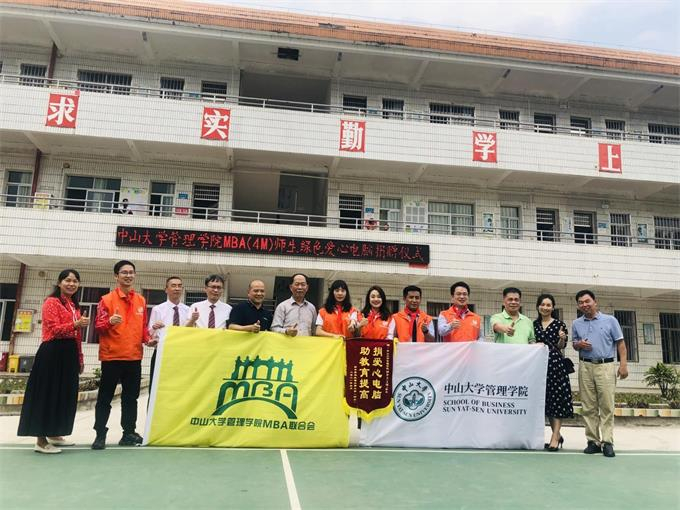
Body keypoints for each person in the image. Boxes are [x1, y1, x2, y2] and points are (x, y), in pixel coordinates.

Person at [17, 269, 90, 454]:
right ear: (59, 283)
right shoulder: (51, 302)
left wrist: (80, 357)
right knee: (47, 393)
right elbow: (54, 329)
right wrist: (76, 324)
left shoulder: (74, 305)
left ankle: (54, 433)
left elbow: (77, 336)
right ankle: (40, 441)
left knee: (63, 394)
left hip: (69, 353)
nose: (71, 284)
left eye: (75, 281)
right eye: (67, 280)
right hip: (52, 351)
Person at [92, 260, 151, 450]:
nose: (128, 275)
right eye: (124, 272)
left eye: (131, 272)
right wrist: (109, 321)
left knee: (130, 398)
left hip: (134, 357)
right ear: (116, 276)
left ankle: (128, 433)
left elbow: (142, 327)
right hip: (112, 357)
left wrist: (148, 339)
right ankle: (100, 434)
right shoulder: (106, 300)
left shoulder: (141, 300)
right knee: (105, 398)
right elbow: (98, 327)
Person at [572, 289, 628, 458]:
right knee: (588, 405)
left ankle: (607, 442)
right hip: (585, 366)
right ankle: (593, 441)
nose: (584, 305)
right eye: (581, 302)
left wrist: (623, 365)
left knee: (606, 405)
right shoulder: (576, 323)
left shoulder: (610, 320)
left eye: (587, 301)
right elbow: (574, 344)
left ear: (595, 302)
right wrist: (579, 344)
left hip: (606, 366)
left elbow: (620, 343)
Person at [533, 293, 573, 452]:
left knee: (557, 400)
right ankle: (557, 434)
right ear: (538, 306)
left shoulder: (559, 324)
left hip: (555, 366)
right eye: (543, 304)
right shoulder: (534, 325)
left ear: (553, 307)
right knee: (547, 401)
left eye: (548, 305)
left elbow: (561, 346)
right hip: (538, 366)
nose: (545, 307)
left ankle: (555, 436)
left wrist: (562, 338)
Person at [147, 276, 194, 394]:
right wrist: (154, 328)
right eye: (173, 286)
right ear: (166, 289)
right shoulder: (158, 309)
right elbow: (149, 333)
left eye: (179, 286)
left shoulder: (188, 310)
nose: (177, 288)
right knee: (156, 387)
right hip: (162, 352)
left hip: (181, 353)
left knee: (179, 387)